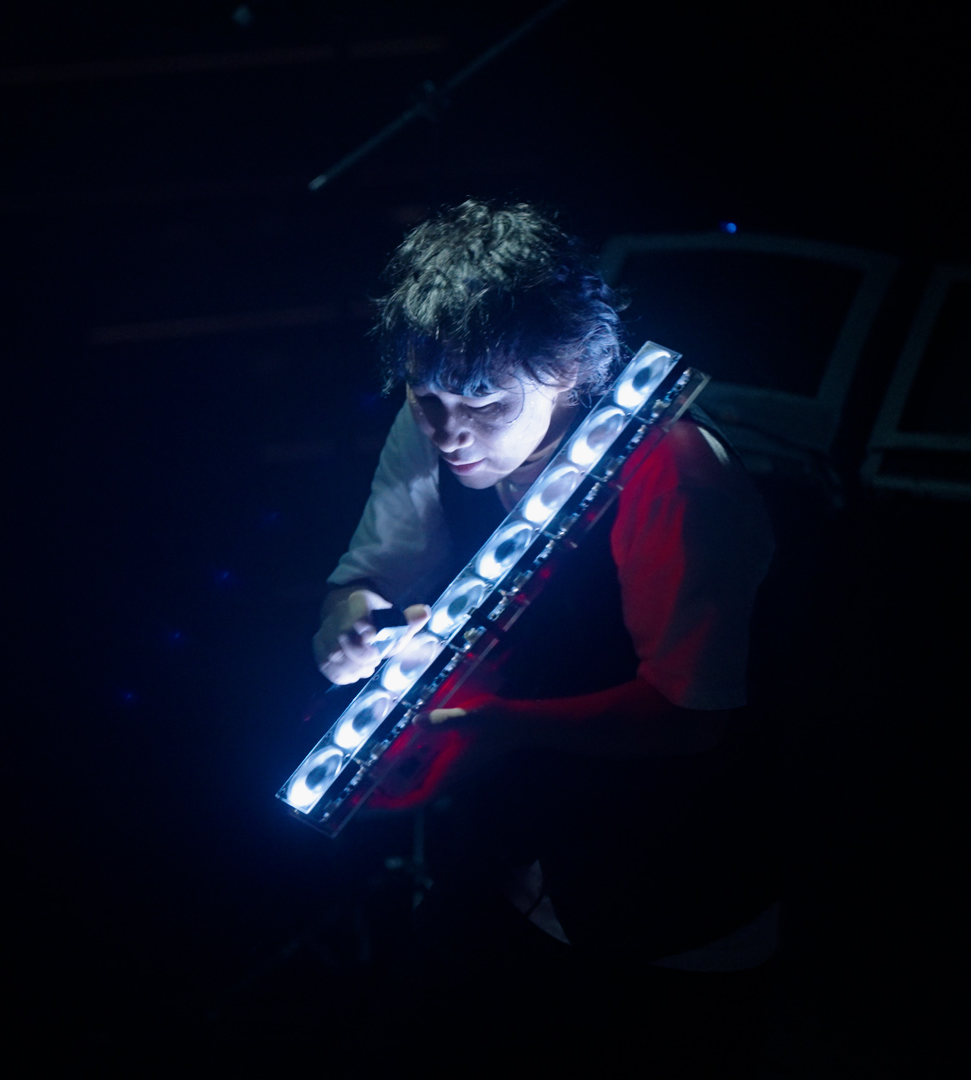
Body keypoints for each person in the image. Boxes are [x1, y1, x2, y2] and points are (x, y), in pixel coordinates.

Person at [313, 200, 780, 1067]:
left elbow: (692, 716)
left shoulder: (674, 471)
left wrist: (502, 726)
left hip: (666, 909)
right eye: (425, 397)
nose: (449, 431)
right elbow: (364, 582)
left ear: (565, 369)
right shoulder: (440, 412)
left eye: (485, 401)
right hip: (507, 866)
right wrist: (348, 630)